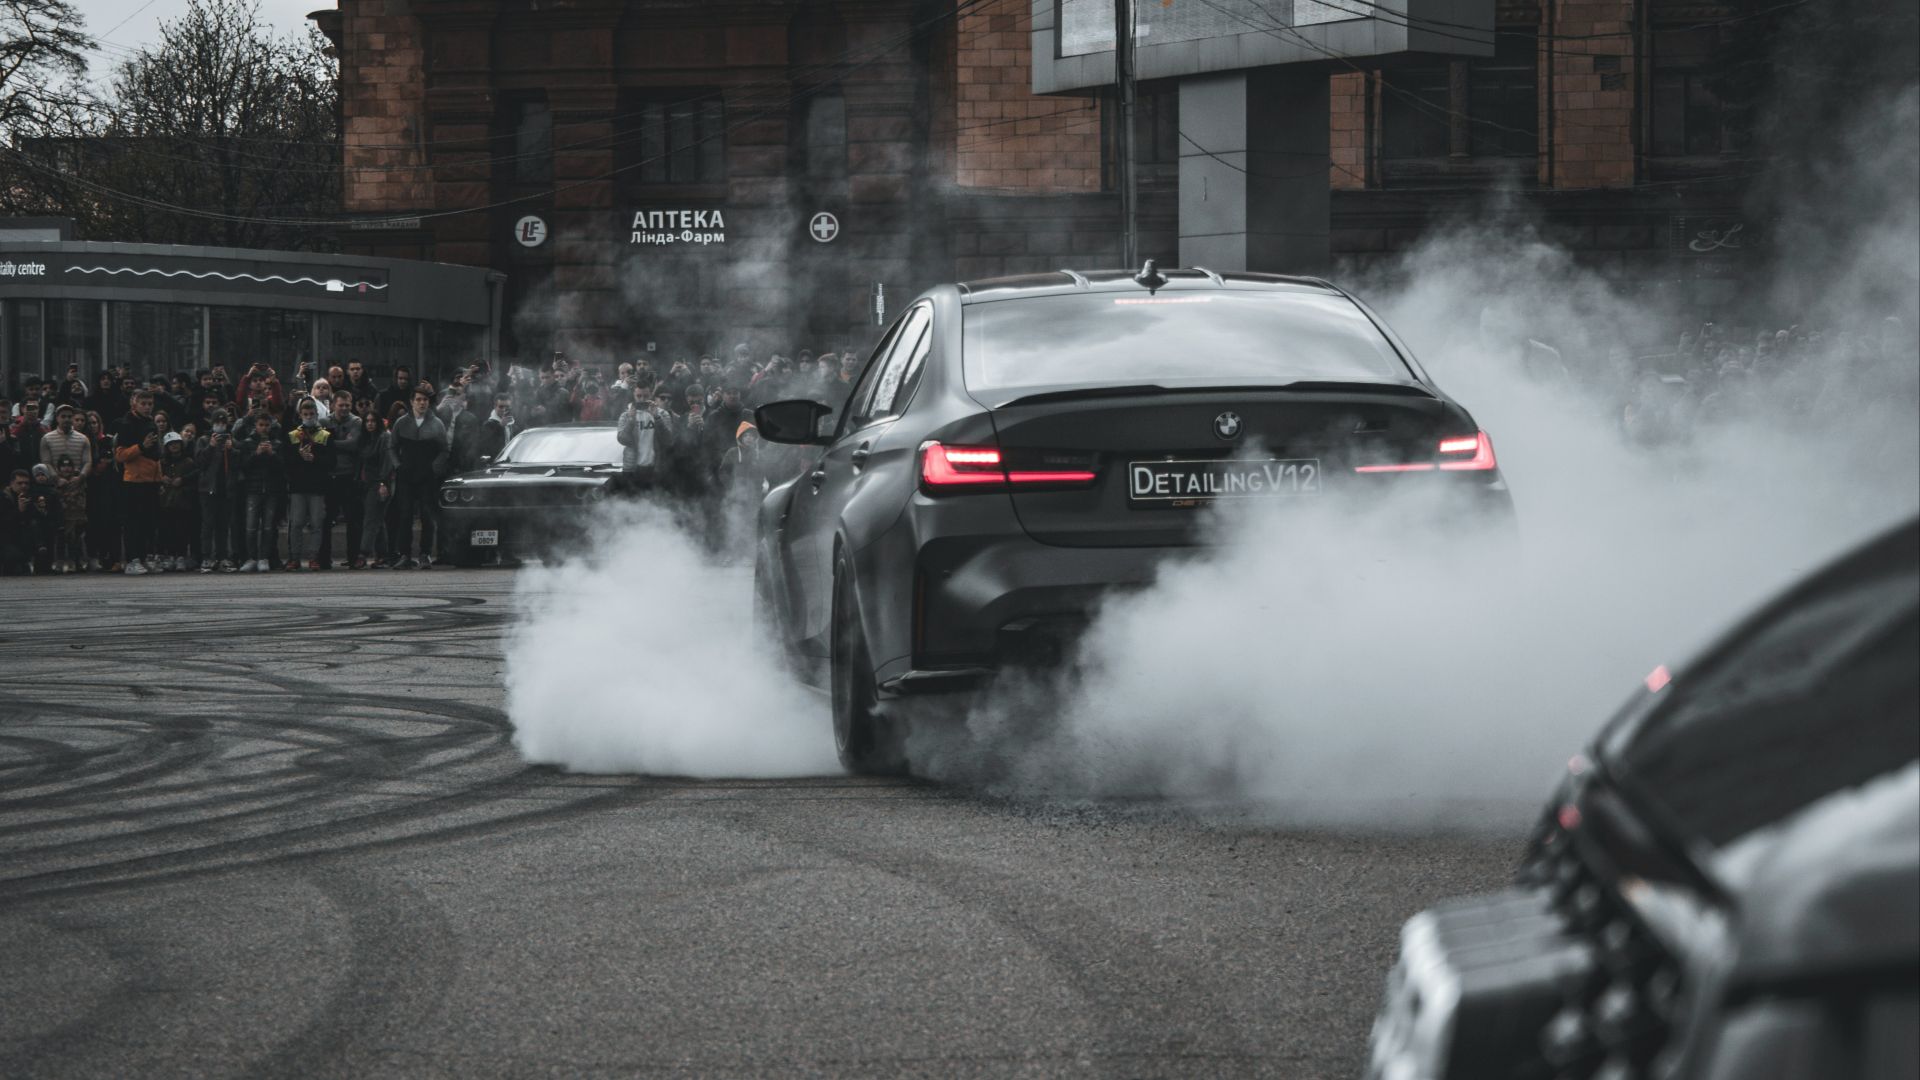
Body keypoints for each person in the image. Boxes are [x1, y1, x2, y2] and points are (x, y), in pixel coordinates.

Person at [386, 388, 447, 568]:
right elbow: (392, 447)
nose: (422, 403)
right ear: (412, 401)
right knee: (405, 515)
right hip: (407, 475)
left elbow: (444, 449)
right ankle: (405, 554)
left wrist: (434, 468)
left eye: (425, 400)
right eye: (419, 399)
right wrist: (398, 465)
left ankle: (425, 554)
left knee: (427, 516)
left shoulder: (437, 424)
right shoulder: (401, 423)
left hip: (427, 476)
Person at [113, 390, 164, 575]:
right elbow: (120, 455)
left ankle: (145, 557)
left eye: (150, 404)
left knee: (149, 522)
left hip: (151, 480)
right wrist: (141, 447)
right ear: (134, 403)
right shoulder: (127, 424)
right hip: (134, 481)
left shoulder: (150, 423)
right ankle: (133, 559)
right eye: (143, 403)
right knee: (133, 523)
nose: (147, 407)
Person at [282, 396, 334, 571]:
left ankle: (314, 558)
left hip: (318, 487)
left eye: (312, 413)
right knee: (296, 523)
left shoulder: (325, 435)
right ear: (300, 414)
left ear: (316, 414)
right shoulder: (294, 435)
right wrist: (299, 457)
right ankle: (294, 558)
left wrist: (314, 458)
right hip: (298, 486)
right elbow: (286, 460)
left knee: (317, 523)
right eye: (305, 413)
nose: (309, 416)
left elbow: (331, 461)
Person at [235, 412, 284, 572]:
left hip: (271, 490)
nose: (263, 428)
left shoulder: (277, 443)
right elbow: (243, 466)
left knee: (268, 526)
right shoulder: (248, 443)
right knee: (250, 526)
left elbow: (282, 468)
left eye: (266, 425)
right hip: (252, 490)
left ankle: (264, 557)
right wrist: (255, 454)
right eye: (261, 425)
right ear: (255, 426)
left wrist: (272, 454)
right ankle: (251, 557)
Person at [321, 391, 364, 570]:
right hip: (329, 477)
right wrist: (342, 443)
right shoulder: (324, 422)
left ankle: (353, 557)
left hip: (349, 476)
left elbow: (354, 444)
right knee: (326, 519)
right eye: (341, 405)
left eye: (347, 405)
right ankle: (324, 559)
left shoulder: (356, 422)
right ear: (333, 405)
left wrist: (331, 443)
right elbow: (319, 444)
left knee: (353, 519)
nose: (345, 408)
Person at [195, 410, 240, 571]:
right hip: (209, 489)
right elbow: (199, 463)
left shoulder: (231, 440)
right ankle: (207, 557)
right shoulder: (203, 440)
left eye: (223, 422)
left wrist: (232, 449)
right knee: (208, 524)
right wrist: (211, 447)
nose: (220, 425)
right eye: (218, 422)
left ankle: (222, 557)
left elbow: (238, 463)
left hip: (226, 489)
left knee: (223, 525)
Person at [156, 432, 198, 571]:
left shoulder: (188, 462)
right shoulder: (162, 463)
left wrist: (183, 482)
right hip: (166, 501)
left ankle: (181, 556)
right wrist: (161, 479)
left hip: (183, 502)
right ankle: (170, 556)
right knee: (167, 530)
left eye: (176, 443)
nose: (174, 446)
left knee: (182, 530)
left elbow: (194, 481)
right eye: (171, 444)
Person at [356, 412, 393, 569]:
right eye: (367, 421)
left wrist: (383, 483)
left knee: (371, 519)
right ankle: (382, 555)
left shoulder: (384, 438)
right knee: (377, 520)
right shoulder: (366, 439)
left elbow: (387, 461)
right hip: (368, 482)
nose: (370, 424)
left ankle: (363, 554)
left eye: (373, 421)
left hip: (380, 482)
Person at [0, 469, 50, 575]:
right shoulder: (3, 498)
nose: (23, 486)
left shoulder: (31, 496)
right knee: (13, 560)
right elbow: (4, 522)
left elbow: (37, 519)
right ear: (11, 483)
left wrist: (40, 509)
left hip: (26, 538)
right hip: (7, 539)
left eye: (26, 483)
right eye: (20, 483)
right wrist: (19, 510)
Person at [614, 381, 661, 491]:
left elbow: (667, 439)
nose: (642, 399)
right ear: (633, 396)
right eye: (639, 396)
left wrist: (657, 418)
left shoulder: (661, 413)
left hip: (654, 468)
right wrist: (631, 420)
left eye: (646, 396)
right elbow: (621, 439)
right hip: (632, 468)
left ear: (651, 395)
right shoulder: (626, 416)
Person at [53, 455, 87, 573]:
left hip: (77, 514)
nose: (66, 469)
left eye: (69, 466)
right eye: (63, 466)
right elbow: (55, 497)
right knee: (61, 539)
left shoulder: (78, 480)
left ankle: (76, 562)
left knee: (76, 539)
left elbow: (82, 496)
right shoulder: (55, 481)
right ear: (58, 468)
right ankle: (60, 562)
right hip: (62, 515)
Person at [40, 404, 91, 473]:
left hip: (78, 481)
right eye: (63, 416)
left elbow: (87, 462)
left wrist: (80, 477)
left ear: (73, 418)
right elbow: (46, 462)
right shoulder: (46, 438)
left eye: (69, 417)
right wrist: (57, 479)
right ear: (57, 418)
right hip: (54, 482)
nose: (66, 419)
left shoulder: (83, 439)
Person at [477, 393, 515, 463]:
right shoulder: (488, 424)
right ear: (495, 406)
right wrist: (500, 426)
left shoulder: (511, 423)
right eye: (501, 407)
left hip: (507, 461)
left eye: (507, 407)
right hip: (494, 462)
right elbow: (485, 445)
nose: (504, 409)